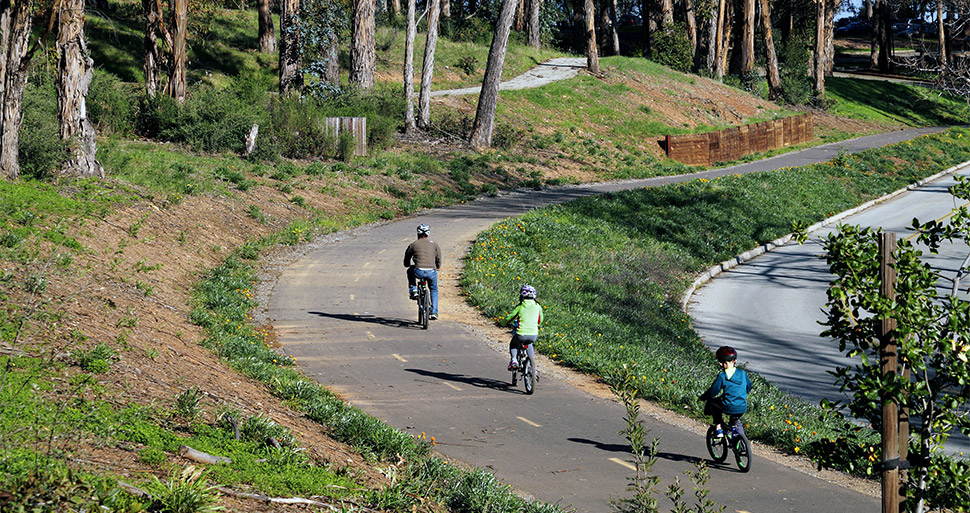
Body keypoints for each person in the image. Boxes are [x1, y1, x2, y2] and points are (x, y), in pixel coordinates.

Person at [701, 346, 752, 438]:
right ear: (735, 361)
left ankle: (718, 428)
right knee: (735, 420)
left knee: (713, 404)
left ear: (721, 363)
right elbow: (749, 387)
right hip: (742, 405)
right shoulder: (742, 373)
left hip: (728, 406)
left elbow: (714, 391)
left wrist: (704, 397)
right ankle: (741, 442)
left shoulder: (722, 376)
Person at [404, 223, 442, 320]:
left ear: (418, 234)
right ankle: (434, 312)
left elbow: (407, 259)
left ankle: (413, 290)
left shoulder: (413, 245)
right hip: (431, 272)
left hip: (418, 271)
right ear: (428, 234)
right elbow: (438, 259)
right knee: (433, 289)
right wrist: (437, 267)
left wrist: (407, 264)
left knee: (410, 271)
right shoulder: (434, 244)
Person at [501, 285, 543, 371]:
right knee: (529, 343)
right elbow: (540, 320)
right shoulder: (538, 307)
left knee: (513, 344)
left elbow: (510, 317)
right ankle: (532, 365)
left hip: (521, 334)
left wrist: (503, 323)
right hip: (533, 334)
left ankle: (514, 361)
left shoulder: (520, 307)